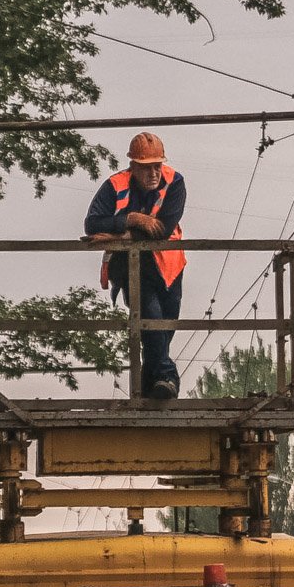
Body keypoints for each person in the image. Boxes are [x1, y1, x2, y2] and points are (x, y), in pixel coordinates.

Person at [85, 131, 187, 400]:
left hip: (169, 266)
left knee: (164, 327)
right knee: (149, 318)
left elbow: (163, 229)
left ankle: (149, 382)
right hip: (131, 266)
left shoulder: (175, 182)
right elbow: (93, 225)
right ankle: (167, 377)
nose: (154, 173)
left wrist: (122, 234)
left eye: (157, 166)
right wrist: (132, 218)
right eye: (146, 168)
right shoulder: (115, 185)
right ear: (133, 167)